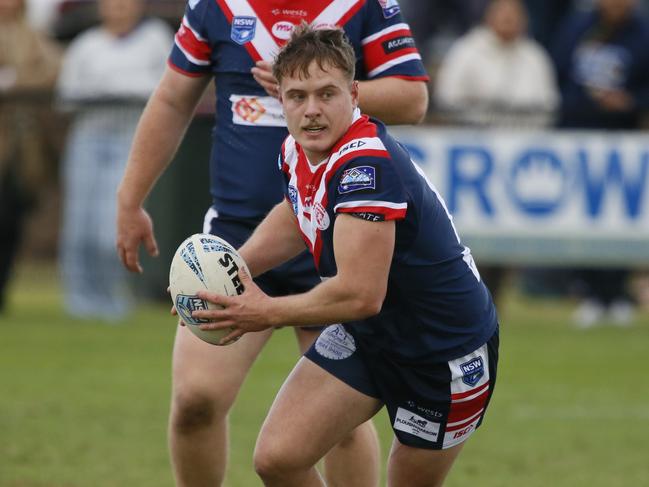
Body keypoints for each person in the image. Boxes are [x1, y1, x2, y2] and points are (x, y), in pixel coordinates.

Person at [116, 0, 430, 485]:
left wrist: (314, 89)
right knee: (195, 401)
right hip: (240, 237)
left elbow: (413, 99)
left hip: (333, 237)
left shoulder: (365, 6)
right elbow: (173, 98)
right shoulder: (214, 6)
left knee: (340, 428)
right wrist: (131, 196)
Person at [190, 25, 499, 487]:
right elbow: (298, 214)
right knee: (278, 459)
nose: (311, 110)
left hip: (442, 352)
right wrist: (231, 271)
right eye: (296, 96)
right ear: (282, 101)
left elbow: (359, 294)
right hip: (370, 335)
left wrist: (264, 311)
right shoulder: (298, 148)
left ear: (353, 94)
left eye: (326, 93)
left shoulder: (366, 168)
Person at [57, 0, 172, 320]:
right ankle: (79, 299)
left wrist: (119, 90)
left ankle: (113, 299)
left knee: (110, 224)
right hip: (88, 135)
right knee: (78, 224)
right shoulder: (86, 43)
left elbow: (168, 90)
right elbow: (66, 93)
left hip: (131, 139)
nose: (119, 9)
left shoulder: (155, 38)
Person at [551, 0, 649, 327]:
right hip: (579, 134)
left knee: (619, 214)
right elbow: (559, 72)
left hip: (625, 139)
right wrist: (581, 101)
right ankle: (591, 292)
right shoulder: (578, 25)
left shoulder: (643, 32)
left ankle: (617, 293)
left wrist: (630, 102)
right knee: (580, 213)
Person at [0, 0, 61, 312]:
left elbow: (52, 70)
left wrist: (15, 83)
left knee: (11, 219)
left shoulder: (33, 36)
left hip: (23, 148)